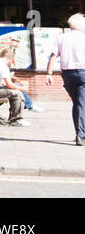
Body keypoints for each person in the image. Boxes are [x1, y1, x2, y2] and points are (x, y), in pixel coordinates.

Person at [45, 13, 85, 144]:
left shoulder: (61, 37)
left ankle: (79, 132)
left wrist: (49, 74)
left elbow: (52, 56)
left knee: (78, 103)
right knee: (81, 104)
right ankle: (81, 135)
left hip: (67, 75)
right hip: (83, 73)